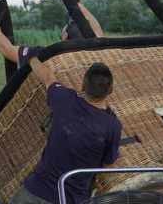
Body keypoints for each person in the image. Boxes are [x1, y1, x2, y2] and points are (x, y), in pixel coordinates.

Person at [9, 58, 122, 204]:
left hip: (34, 190)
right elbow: (108, 167)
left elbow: (48, 76)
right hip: (69, 199)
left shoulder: (64, 99)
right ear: (111, 90)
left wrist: (30, 57)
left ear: (82, 86)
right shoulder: (113, 126)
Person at [0, 1, 103, 66]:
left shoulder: (48, 54)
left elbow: (7, 50)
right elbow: (97, 28)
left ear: (65, 36)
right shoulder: (98, 53)